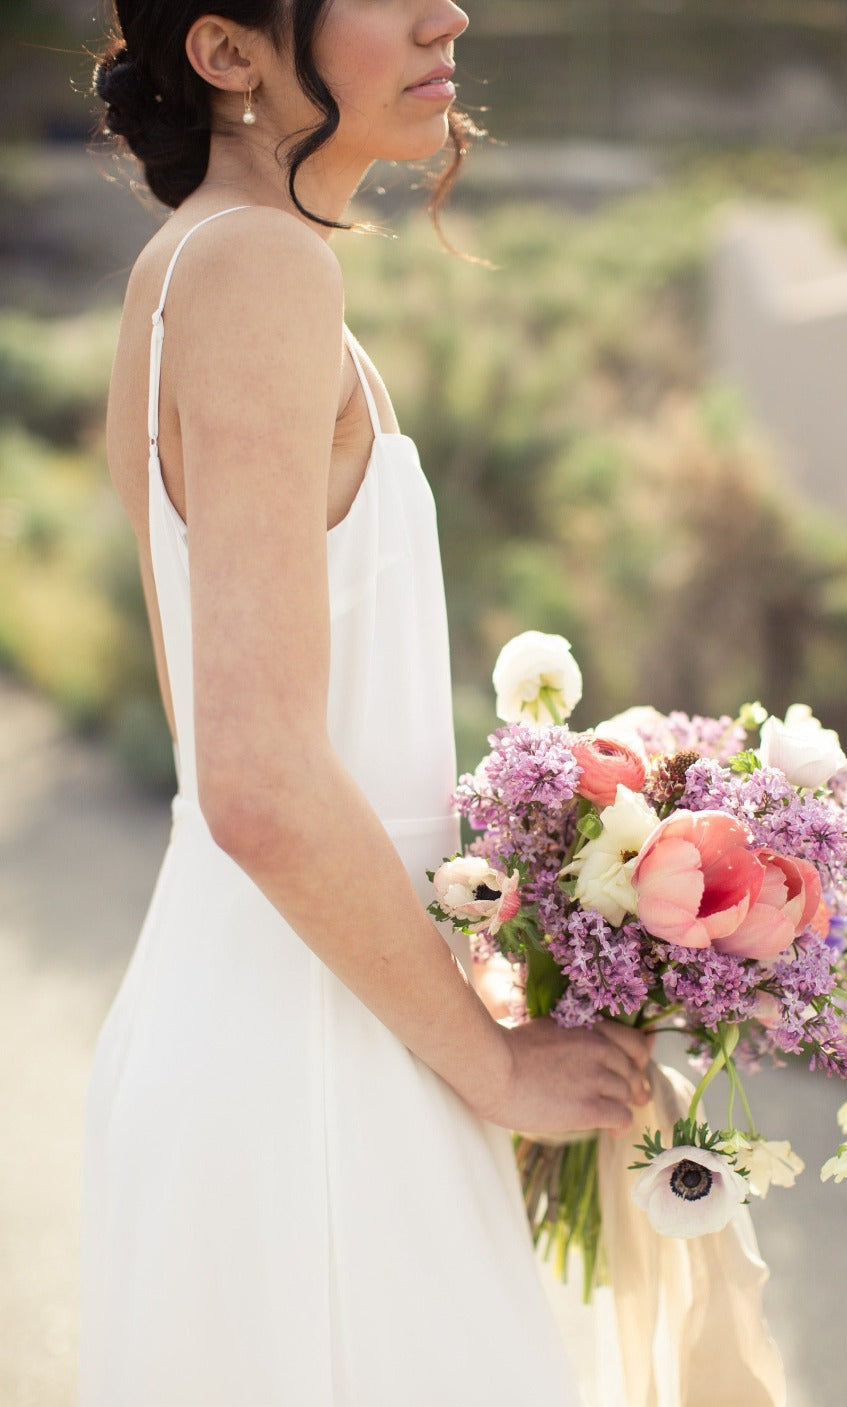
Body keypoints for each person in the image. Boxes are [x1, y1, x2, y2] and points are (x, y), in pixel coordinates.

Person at [80, 3, 655, 1404]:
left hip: (288, 1008)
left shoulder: (197, 271)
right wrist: (497, 1071)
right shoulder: (260, 271)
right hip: (313, 1064)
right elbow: (262, 781)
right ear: (228, 52)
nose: (445, 9)